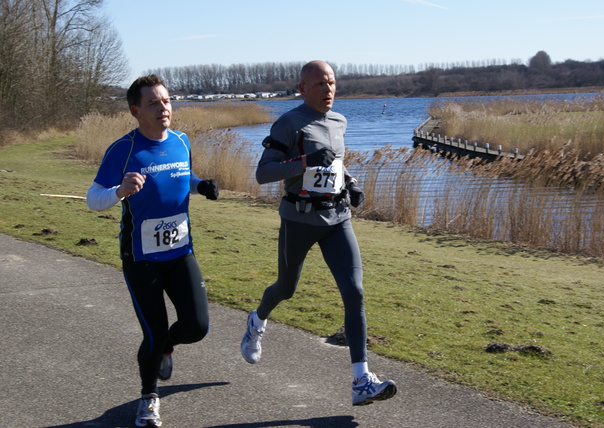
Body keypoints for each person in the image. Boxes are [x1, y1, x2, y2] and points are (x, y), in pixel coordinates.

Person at [240, 60, 397, 406]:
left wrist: (351, 183)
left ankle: (360, 380)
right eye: (320, 84)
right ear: (303, 89)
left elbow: (335, 162)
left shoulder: (340, 121)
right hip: (299, 220)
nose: (328, 90)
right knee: (286, 288)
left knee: (354, 292)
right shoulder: (289, 123)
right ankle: (257, 320)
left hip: (337, 218)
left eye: (332, 83)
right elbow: (263, 173)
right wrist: (305, 162)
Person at [86, 74, 219, 427]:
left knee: (197, 327)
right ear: (135, 111)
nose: (164, 108)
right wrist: (119, 191)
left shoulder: (180, 140)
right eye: (153, 103)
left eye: (166, 101)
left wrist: (200, 184)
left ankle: (166, 347)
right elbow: (92, 198)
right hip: (141, 259)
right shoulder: (123, 150)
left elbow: (180, 176)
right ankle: (148, 399)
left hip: (180, 252)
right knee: (153, 331)